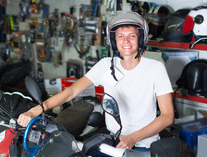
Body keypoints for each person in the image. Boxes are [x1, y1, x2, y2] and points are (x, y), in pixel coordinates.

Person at [17, 11, 174, 149]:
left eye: (132, 36)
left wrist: (133, 138)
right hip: (113, 140)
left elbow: (167, 116)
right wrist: (36, 110)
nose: (126, 41)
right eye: (120, 36)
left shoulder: (155, 68)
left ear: (140, 39)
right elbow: (72, 91)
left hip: (144, 145)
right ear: (114, 41)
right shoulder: (105, 65)